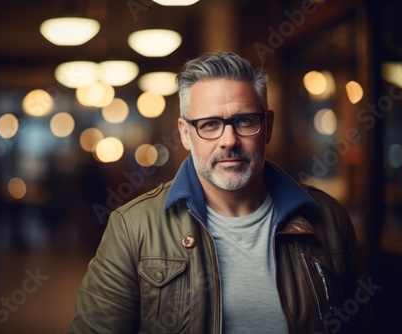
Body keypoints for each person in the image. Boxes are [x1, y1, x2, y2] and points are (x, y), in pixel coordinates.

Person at [68, 52, 373, 333]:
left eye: (244, 121)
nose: (229, 140)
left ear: (267, 128)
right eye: (210, 124)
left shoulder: (329, 218)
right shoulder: (132, 227)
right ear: (186, 134)